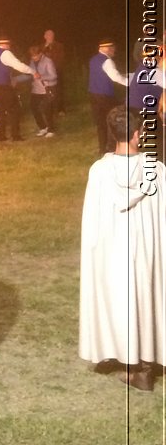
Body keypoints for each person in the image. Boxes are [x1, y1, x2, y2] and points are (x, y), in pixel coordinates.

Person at [79, 107, 165, 391]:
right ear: (138, 135)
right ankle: (145, 363)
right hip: (146, 251)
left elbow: (94, 219)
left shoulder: (100, 172)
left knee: (118, 298)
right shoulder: (156, 170)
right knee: (145, 297)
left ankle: (127, 358)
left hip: (114, 252)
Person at [0, 36, 38, 142]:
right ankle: (15, 136)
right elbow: (19, 66)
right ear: (6, 45)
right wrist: (33, 71)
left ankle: (0, 136)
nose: (9, 47)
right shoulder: (6, 53)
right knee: (14, 109)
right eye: (9, 45)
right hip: (1, 85)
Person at [88, 40, 129, 155]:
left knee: (100, 122)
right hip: (105, 95)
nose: (114, 51)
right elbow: (115, 77)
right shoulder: (107, 61)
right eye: (113, 49)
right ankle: (111, 148)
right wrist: (129, 83)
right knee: (112, 120)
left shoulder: (93, 59)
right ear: (108, 49)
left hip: (93, 94)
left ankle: (102, 148)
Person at [28, 44, 58, 137]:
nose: (34, 58)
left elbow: (54, 76)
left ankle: (51, 129)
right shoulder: (32, 62)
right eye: (32, 56)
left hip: (48, 88)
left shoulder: (48, 61)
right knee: (33, 107)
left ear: (40, 54)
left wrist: (41, 77)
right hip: (36, 89)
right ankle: (43, 127)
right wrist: (17, 79)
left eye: (35, 55)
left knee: (47, 109)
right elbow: (30, 74)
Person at [42, 29, 66, 113]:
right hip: (45, 73)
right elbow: (40, 57)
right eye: (48, 35)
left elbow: (61, 58)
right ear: (45, 36)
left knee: (59, 90)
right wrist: (45, 48)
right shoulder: (42, 47)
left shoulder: (59, 46)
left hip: (57, 71)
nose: (50, 37)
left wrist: (55, 68)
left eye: (52, 35)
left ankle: (61, 109)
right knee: (47, 91)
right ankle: (50, 109)